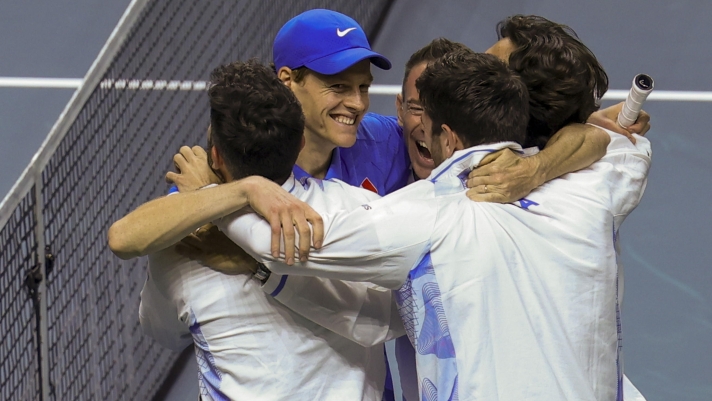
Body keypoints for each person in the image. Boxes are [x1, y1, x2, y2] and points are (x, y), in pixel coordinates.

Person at [216, 49, 651, 400]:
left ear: (451, 138)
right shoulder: (588, 190)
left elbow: (278, 244)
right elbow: (626, 146)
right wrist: (560, 151)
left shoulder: (423, 216)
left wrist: (226, 193)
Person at [129, 60, 391, 400]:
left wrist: (211, 201)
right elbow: (388, 318)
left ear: (216, 156)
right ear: (299, 143)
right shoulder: (362, 212)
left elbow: (163, 332)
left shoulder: (181, 246)